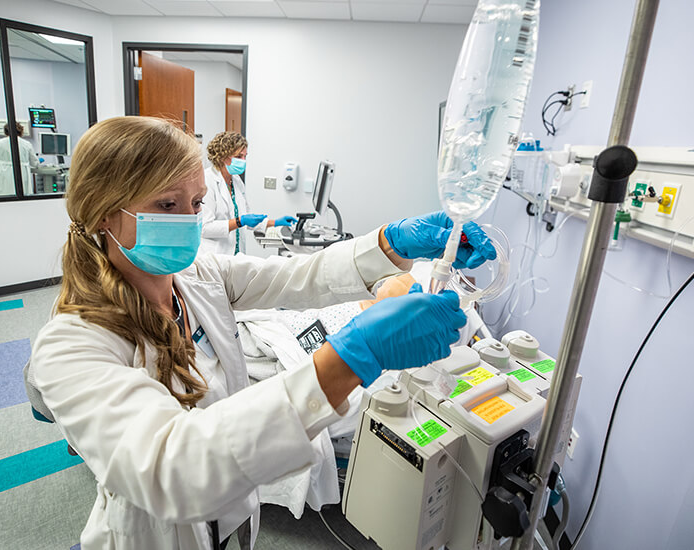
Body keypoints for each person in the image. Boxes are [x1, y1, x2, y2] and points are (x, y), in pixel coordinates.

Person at [27, 116, 497, 550]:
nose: (189, 220)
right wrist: (351, 358)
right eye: (166, 204)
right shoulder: (70, 345)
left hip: (233, 519)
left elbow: (299, 277)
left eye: (195, 204)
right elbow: (174, 468)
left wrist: (391, 243)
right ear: (103, 213)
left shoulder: (200, 277)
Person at [201, 131, 297, 255]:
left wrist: (275, 222)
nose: (243, 161)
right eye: (239, 157)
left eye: (245, 156)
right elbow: (205, 228)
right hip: (214, 255)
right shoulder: (207, 181)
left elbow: (247, 218)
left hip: (235, 254)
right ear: (223, 157)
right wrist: (239, 221)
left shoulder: (235, 180)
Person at [0, 122, 38, 196]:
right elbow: (34, 163)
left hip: (4, 172)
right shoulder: (26, 144)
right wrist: (37, 163)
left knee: (4, 196)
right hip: (22, 172)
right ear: (21, 131)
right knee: (22, 196)